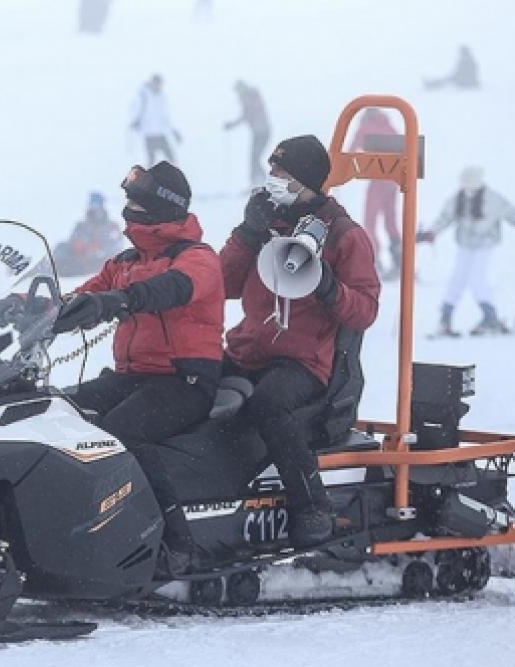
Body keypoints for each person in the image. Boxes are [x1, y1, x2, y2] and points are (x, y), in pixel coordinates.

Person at [48, 161, 224, 574]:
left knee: (125, 429)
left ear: (158, 206)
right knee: (55, 411)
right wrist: (31, 309)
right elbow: (82, 296)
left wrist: (120, 300)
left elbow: (171, 289)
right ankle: (73, 526)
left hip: (186, 380)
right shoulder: (124, 262)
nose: (127, 207)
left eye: (135, 200)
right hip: (133, 377)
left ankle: (175, 539)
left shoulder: (198, 259)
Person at [220, 135, 380, 548]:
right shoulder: (269, 221)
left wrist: (328, 287)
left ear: (306, 180)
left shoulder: (344, 234)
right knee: (197, 382)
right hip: (250, 347)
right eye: (271, 170)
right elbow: (223, 283)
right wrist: (246, 233)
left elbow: (365, 309)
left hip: (304, 361)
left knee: (269, 405)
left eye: (281, 173)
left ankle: (312, 505)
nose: (272, 179)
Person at [417, 166, 515, 337]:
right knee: (457, 279)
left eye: (470, 183)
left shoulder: (492, 199)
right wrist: (430, 233)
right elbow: (444, 218)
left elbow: (511, 214)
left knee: (477, 279)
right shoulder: (458, 198)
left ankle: (490, 318)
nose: (467, 187)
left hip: (485, 244)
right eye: (464, 183)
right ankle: (445, 319)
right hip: (465, 244)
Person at [349, 108, 402, 278]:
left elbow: (350, 152)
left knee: (370, 222)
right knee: (391, 221)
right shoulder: (389, 126)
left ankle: (374, 261)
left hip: (378, 180)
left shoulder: (364, 127)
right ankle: (400, 260)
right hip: (393, 180)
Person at [53, 191, 124, 277]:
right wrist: (77, 244)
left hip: (98, 261)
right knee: (61, 248)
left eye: (96, 207)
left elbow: (117, 246)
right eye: (92, 207)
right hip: (78, 258)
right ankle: (50, 268)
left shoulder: (111, 227)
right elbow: (73, 240)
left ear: (102, 208)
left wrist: (99, 248)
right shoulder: (81, 226)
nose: (94, 210)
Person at [223, 80, 271, 187]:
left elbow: (248, 114)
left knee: (255, 158)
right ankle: (258, 183)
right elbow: (247, 114)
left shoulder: (250, 96)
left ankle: (261, 182)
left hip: (262, 132)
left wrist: (232, 124)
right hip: (259, 132)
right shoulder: (249, 97)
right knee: (254, 158)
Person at [130, 74, 182, 166]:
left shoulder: (162, 96)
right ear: (152, 83)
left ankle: (175, 177)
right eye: (156, 83)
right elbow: (134, 109)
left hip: (160, 133)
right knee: (151, 161)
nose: (158, 86)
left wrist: (173, 131)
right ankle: (150, 179)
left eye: (160, 84)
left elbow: (165, 117)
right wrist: (134, 120)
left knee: (171, 158)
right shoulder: (143, 95)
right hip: (149, 134)